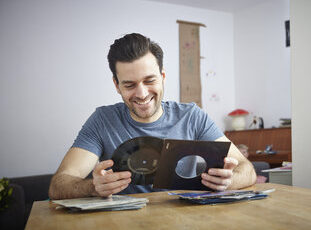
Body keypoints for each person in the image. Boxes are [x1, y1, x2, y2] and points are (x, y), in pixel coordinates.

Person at [49, 33, 256, 199]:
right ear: (116, 85)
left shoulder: (192, 116)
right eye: (129, 85)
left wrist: (229, 181)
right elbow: (59, 185)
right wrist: (92, 187)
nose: (141, 93)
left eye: (149, 80)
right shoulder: (102, 120)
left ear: (163, 76)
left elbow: (247, 169)